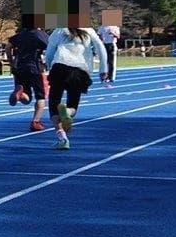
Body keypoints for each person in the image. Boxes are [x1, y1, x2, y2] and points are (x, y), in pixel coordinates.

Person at [44, 22, 108, 150]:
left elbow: (50, 50)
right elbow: (101, 49)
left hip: (59, 68)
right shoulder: (89, 31)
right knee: (73, 104)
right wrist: (103, 70)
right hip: (80, 71)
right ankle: (67, 112)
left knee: (53, 104)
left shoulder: (60, 30)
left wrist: (48, 65)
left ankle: (62, 138)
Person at [7, 20, 50, 132]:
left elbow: (8, 47)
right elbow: (51, 47)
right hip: (35, 68)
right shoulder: (40, 35)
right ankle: (35, 122)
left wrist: (11, 62)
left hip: (19, 67)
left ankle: (20, 94)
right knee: (41, 97)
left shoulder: (20, 35)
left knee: (27, 99)